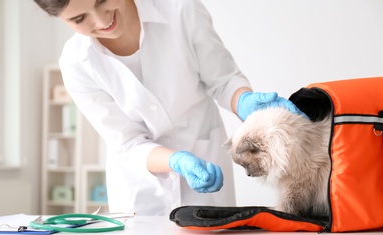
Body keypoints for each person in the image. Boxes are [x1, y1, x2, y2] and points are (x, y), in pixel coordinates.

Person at [34, 0, 304, 215]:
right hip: (141, 192)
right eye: (79, 19)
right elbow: (128, 143)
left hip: (208, 171)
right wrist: (176, 161)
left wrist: (243, 100)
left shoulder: (180, 9)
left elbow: (223, 80)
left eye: (103, 0)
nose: (102, 20)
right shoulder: (77, 64)